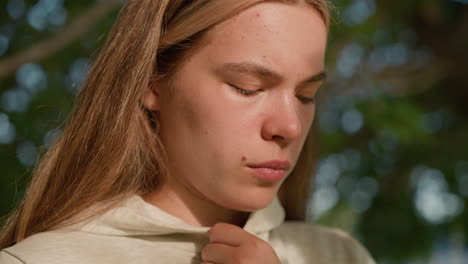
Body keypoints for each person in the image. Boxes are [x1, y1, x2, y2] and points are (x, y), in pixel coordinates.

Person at [0, 0, 376, 263]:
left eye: (306, 95)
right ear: (152, 82)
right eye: (247, 87)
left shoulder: (339, 255)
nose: (290, 126)